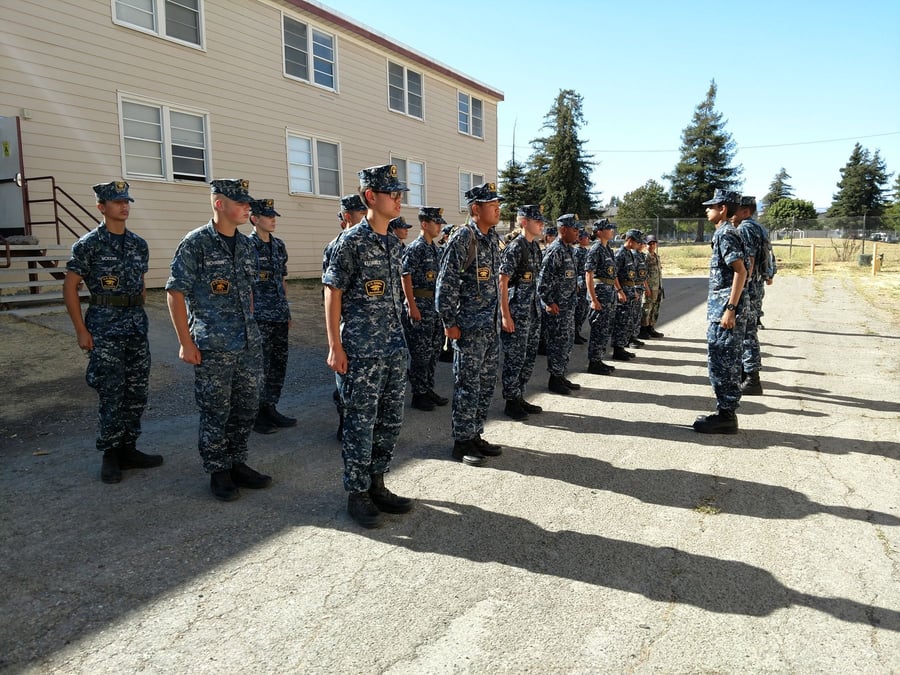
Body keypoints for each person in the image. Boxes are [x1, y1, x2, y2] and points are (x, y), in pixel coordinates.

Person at [166, 178, 272, 501]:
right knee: (216, 409)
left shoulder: (246, 246)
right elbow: (174, 293)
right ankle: (218, 470)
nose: (246, 208)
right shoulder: (196, 243)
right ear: (219, 204)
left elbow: (249, 292)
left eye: (247, 203)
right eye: (240, 202)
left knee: (246, 406)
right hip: (213, 346)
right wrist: (185, 342)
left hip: (247, 344)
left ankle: (237, 461)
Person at [323, 164, 412, 528]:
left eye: (399, 193)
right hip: (360, 350)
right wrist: (334, 346)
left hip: (392, 347)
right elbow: (332, 293)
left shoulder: (392, 242)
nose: (399, 198)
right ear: (370, 197)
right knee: (360, 423)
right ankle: (356, 493)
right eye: (392, 193)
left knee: (389, 421)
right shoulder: (350, 242)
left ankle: (377, 483)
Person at [63, 180, 162, 484]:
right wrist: (81, 330)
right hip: (105, 327)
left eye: (126, 201)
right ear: (101, 207)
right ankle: (110, 454)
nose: (124, 206)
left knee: (136, 391)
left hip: (134, 325)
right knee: (111, 391)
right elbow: (69, 286)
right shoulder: (88, 245)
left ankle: (129, 448)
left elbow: (142, 285)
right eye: (117, 202)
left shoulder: (138, 244)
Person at [435, 182, 504, 467]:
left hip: (489, 327)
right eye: (492, 205)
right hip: (468, 328)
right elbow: (446, 282)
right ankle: (461, 441)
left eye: (498, 204)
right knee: (467, 386)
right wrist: (448, 322)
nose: (498, 209)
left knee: (485, 384)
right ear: (476, 209)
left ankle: (475, 434)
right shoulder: (464, 237)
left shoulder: (492, 239)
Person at [693, 189, 748, 434]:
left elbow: (741, 271)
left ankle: (726, 416)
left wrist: (730, 308)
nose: (708, 209)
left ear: (723, 208)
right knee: (722, 360)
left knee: (723, 362)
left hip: (725, 312)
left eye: (712, 205)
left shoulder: (726, 233)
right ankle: (725, 412)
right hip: (722, 309)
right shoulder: (725, 233)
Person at [248, 198, 295, 434]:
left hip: (277, 313)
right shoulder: (247, 247)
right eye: (267, 216)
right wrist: (250, 315)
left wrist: (286, 310)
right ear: (254, 219)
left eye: (273, 215)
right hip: (259, 317)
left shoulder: (279, 246)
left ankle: (270, 407)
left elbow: (282, 281)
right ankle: (255, 414)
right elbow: (245, 285)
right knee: (259, 366)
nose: (272, 219)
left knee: (278, 364)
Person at [324, 194, 367, 442]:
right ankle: (345, 422)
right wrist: (334, 341)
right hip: (349, 325)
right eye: (360, 213)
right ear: (348, 215)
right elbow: (330, 292)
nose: (365, 217)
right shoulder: (337, 246)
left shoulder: (370, 242)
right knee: (346, 380)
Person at [401, 206, 450, 412]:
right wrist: (411, 305)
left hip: (434, 308)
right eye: (436, 222)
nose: (439, 226)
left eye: (440, 223)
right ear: (424, 224)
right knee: (420, 354)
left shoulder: (435, 249)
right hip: (420, 305)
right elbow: (405, 275)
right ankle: (418, 394)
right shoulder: (416, 248)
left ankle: (428, 388)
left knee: (432, 351)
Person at [499, 204, 545, 420]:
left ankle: (519, 395)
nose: (542, 224)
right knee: (514, 358)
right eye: (538, 221)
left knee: (527, 357)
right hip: (517, 312)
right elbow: (503, 281)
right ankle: (510, 401)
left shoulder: (535, 248)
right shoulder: (516, 247)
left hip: (532, 311)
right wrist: (505, 315)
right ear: (524, 222)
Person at [537, 213, 582, 395]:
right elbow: (542, 280)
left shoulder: (569, 249)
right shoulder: (555, 250)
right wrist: (548, 301)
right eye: (574, 229)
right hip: (557, 307)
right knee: (557, 342)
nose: (577, 232)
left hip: (568, 305)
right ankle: (554, 379)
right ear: (563, 229)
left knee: (567, 341)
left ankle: (561, 374)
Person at [732, 196, 767, 395]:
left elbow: (750, 259)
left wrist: (742, 287)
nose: (733, 214)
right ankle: (748, 374)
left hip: (750, 286)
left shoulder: (746, 228)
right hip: (757, 284)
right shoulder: (759, 227)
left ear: (745, 211)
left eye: (736, 210)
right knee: (749, 329)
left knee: (746, 332)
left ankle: (752, 378)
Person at [585, 218, 625, 375]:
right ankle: (593, 362)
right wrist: (593, 299)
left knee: (605, 328)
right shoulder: (595, 249)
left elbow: (613, 274)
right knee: (598, 329)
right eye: (609, 228)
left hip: (609, 294)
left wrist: (619, 290)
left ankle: (599, 359)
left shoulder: (608, 249)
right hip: (600, 294)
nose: (612, 231)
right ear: (600, 232)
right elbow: (589, 274)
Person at [610, 229, 643, 361]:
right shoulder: (620, 254)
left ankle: (622, 346)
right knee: (620, 321)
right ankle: (617, 350)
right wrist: (619, 291)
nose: (638, 244)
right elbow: (614, 275)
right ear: (629, 240)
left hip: (629, 290)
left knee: (627, 321)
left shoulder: (630, 254)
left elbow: (631, 276)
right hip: (623, 292)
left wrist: (633, 290)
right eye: (637, 241)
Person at [639, 234, 665, 339]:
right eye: (650, 243)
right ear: (646, 245)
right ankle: (643, 330)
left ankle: (651, 328)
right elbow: (642, 274)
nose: (652, 245)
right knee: (646, 309)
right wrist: (646, 287)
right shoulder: (645, 257)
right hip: (649, 288)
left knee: (655, 309)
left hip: (657, 287)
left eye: (654, 243)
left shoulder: (656, 256)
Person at [572, 228, 591, 344]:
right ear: (580, 239)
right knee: (578, 310)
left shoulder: (586, 251)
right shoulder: (577, 252)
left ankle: (577, 332)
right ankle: (574, 334)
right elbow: (573, 269)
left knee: (584, 310)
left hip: (586, 285)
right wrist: (576, 283)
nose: (588, 239)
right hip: (580, 284)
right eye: (586, 237)